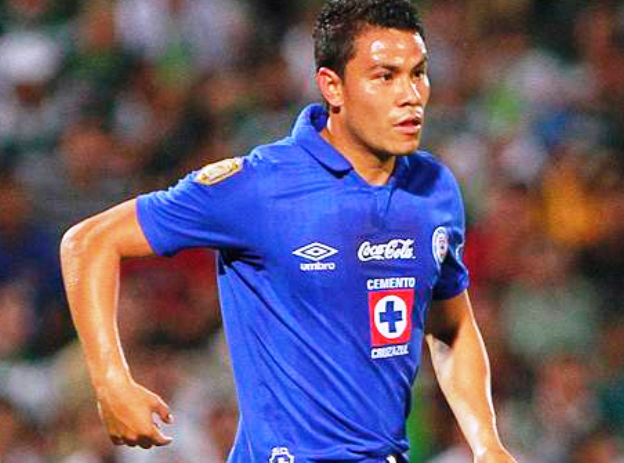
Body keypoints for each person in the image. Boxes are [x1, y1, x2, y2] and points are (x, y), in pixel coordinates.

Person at [59, 1, 516, 462]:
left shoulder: (433, 189)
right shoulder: (260, 185)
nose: (410, 94)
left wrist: (486, 444)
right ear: (332, 86)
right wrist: (111, 382)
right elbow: (90, 242)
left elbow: (452, 328)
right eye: (385, 76)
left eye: (418, 73)